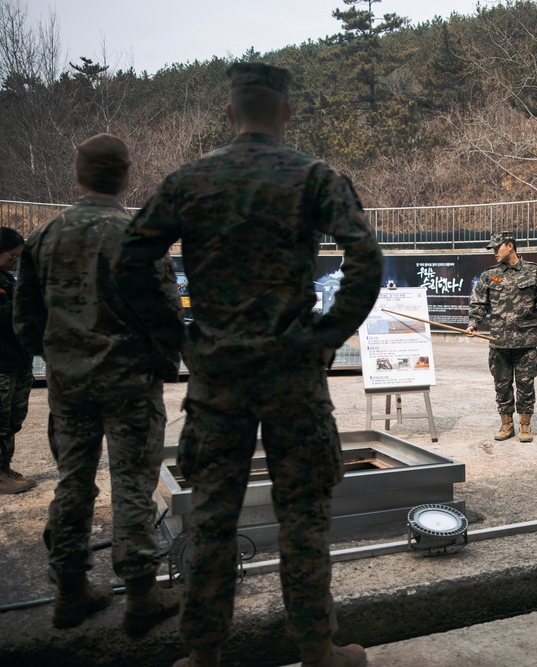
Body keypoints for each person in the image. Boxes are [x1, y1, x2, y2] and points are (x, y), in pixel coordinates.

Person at [114, 62, 383, 667]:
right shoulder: (315, 176)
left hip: (218, 378)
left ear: (229, 112)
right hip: (294, 375)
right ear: (286, 111)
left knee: (210, 517)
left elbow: (130, 262)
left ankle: (203, 654)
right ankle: (318, 649)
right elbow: (365, 257)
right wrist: (325, 334)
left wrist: (178, 339)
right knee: (304, 516)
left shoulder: (191, 179)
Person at [13, 134, 184, 631]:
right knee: (132, 485)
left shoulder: (44, 236)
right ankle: (140, 598)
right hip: (130, 385)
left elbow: (25, 323)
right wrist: (160, 365)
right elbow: (167, 316)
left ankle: (70, 592)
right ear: (127, 174)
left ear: (79, 174)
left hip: (70, 388)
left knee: (73, 483)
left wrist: (64, 357)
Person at [466, 231, 537, 443]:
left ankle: (525, 425)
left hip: (526, 340)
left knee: (525, 384)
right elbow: (479, 303)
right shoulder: (490, 275)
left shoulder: (533, 272)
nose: (495, 252)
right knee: (501, 384)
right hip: (498, 341)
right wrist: (473, 324)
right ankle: (506, 425)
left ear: (510, 246)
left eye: (498, 247)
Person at [0, 226, 36, 495]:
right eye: (11, 256)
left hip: (16, 360)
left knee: (12, 418)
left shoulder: (4, 278)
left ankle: (2, 466)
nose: (14, 262)